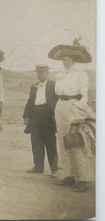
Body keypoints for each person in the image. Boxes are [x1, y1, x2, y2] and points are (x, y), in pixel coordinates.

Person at [49, 39, 95, 192]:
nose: (66, 61)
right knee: (63, 140)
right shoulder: (60, 75)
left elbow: (84, 95)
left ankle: (83, 178)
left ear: (74, 60)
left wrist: (78, 112)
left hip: (74, 106)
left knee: (77, 141)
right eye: (64, 59)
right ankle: (68, 175)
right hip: (61, 106)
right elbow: (58, 92)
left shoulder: (80, 74)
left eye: (68, 59)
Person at [23, 65, 58, 177]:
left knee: (50, 143)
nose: (39, 74)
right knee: (36, 142)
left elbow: (57, 101)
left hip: (48, 116)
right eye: (38, 72)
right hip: (35, 116)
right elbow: (30, 101)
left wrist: (54, 115)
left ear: (47, 72)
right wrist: (26, 115)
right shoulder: (34, 86)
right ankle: (38, 167)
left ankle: (54, 169)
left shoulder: (53, 85)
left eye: (42, 72)